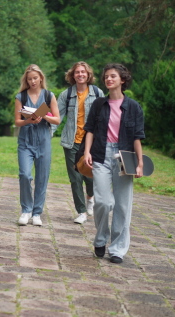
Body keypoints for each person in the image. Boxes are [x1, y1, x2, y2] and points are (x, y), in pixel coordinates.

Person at [83, 63, 145, 264]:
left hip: (124, 157)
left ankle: (117, 249)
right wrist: (87, 153)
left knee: (122, 206)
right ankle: (101, 238)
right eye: (106, 77)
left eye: (113, 76)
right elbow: (90, 130)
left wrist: (140, 163)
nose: (108, 79)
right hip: (100, 154)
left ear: (123, 80)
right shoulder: (99, 104)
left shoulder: (133, 107)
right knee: (103, 202)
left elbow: (137, 137)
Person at [54, 61, 104, 225]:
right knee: (75, 178)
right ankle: (81, 211)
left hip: (92, 142)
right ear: (72, 75)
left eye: (83, 72)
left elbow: (105, 118)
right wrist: (37, 121)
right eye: (77, 72)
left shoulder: (97, 93)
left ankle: (91, 197)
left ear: (88, 74)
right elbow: (55, 115)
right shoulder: (66, 95)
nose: (80, 74)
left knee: (90, 176)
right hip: (71, 142)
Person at [14, 64, 60, 226]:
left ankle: (37, 213)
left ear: (41, 78)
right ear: (26, 80)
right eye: (29, 79)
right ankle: (26, 209)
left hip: (43, 141)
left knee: (42, 177)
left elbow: (57, 119)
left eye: (35, 78)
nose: (33, 81)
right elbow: (17, 121)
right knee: (25, 175)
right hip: (25, 141)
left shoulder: (48, 96)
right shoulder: (21, 97)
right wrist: (29, 120)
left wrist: (44, 116)